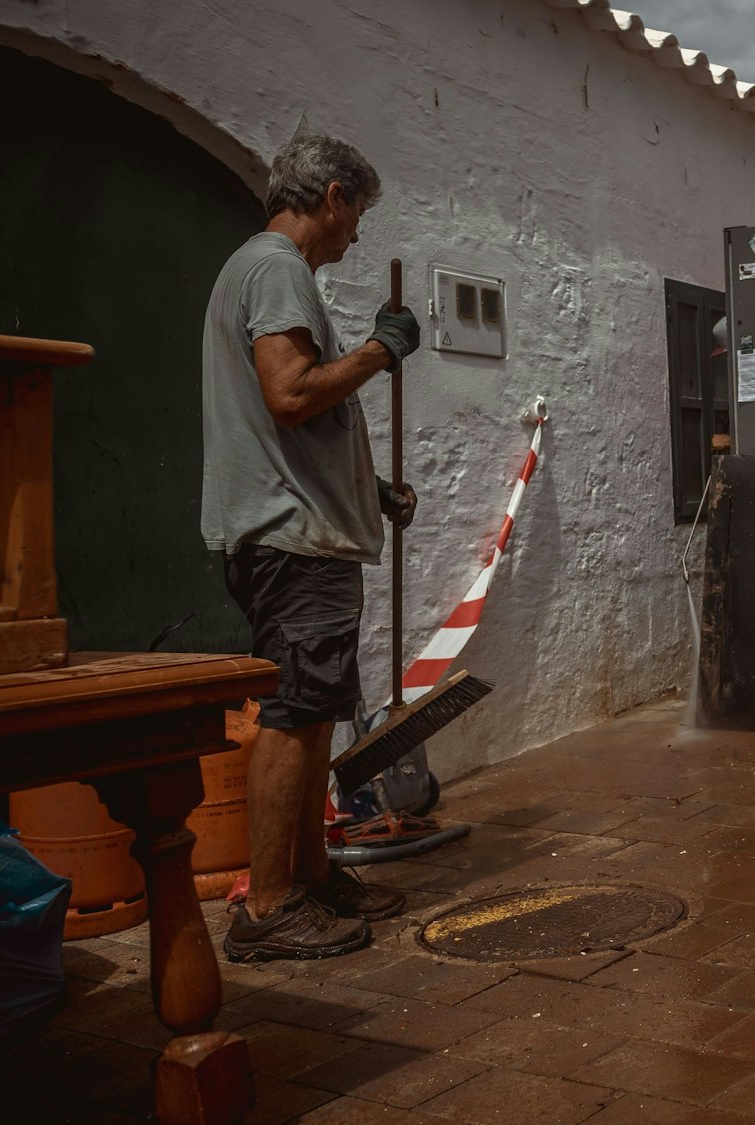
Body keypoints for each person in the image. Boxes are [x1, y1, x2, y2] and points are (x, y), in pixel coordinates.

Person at [201, 134, 422, 961]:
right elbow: (290, 393)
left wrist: (370, 493)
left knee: (315, 709)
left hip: (304, 532)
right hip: (291, 541)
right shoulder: (275, 268)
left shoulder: (262, 272)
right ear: (331, 196)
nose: (357, 233)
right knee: (294, 716)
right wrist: (378, 350)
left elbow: (286, 426)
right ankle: (268, 908)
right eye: (356, 212)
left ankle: (309, 874)